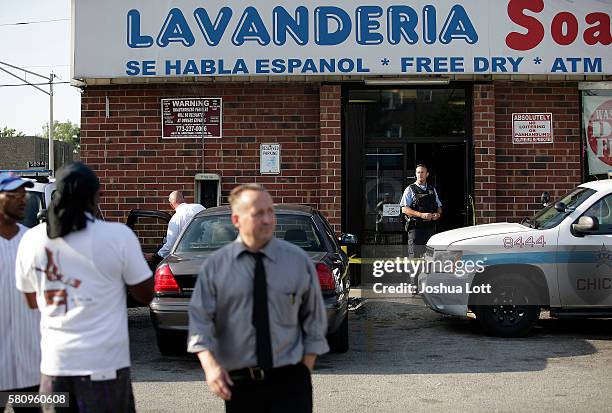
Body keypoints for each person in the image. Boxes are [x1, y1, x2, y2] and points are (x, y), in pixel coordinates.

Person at [14, 163, 154, 413]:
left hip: (54, 369)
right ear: (94, 197)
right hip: (104, 369)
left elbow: (31, 301)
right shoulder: (117, 236)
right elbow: (145, 294)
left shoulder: (31, 239)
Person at [188, 183, 329, 413]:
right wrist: (210, 366)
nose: (267, 219)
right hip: (241, 386)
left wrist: (305, 368)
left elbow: (314, 319)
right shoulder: (217, 266)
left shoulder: (297, 262)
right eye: (258, 213)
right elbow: (200, 321)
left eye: (270, 211)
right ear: (236, 220)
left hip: (291, 383)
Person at [0, 173, 41, 413]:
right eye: (14, 194)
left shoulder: (34, 241)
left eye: (24, 194)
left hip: (29, 365)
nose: (22, 199)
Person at [145, 191, 204, 265]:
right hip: (207, 253)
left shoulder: (176, 219)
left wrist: (155, 256)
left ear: (171, 205)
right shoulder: (199, 207)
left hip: (187, 258)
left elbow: (170, 245)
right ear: (183, 200)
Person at [400, 164, 442, 258]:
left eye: (422, 172)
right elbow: (404, 209)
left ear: (427, 174)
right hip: (416, 229)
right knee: (414, 256)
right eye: (418, 172)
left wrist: (438, 214)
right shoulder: (410, 189)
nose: (420, 174)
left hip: (430, 228)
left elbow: (439, 206)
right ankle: (414, 273)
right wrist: (421, 215)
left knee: (430, 256)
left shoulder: (432, 189)